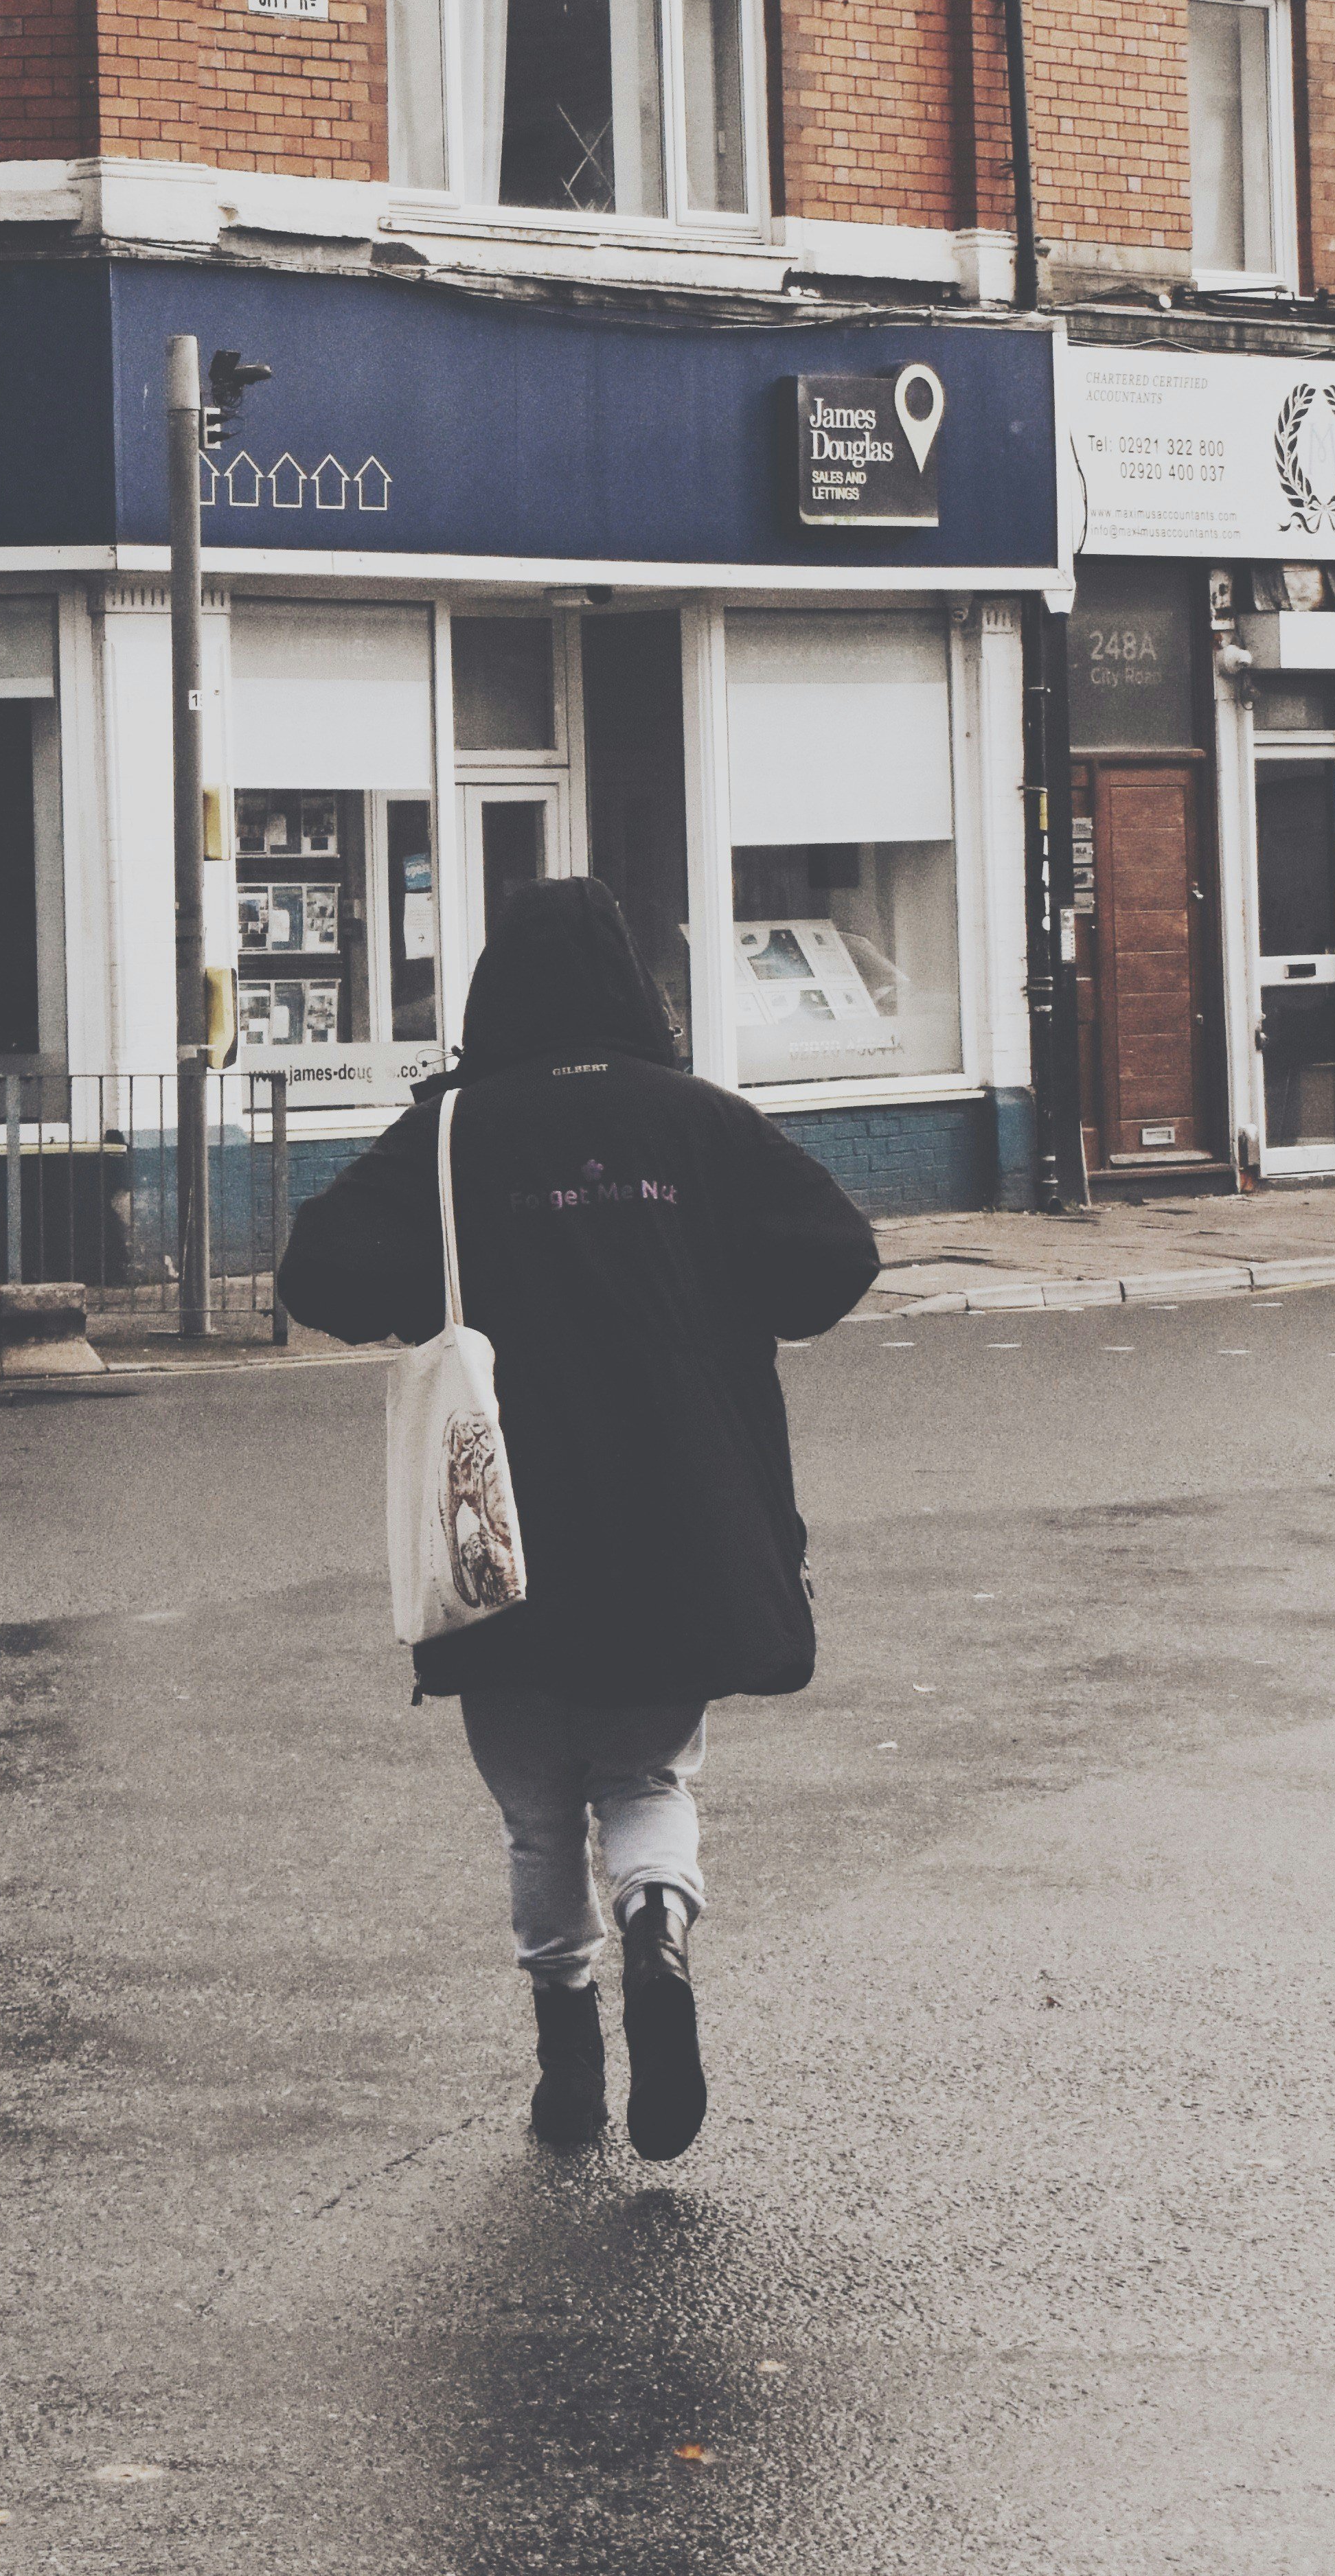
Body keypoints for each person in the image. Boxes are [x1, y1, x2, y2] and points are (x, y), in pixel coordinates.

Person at [275, 876, 878, 2165]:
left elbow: (317, 1271)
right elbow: (834, 1255)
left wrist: (435, 1297)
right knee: (647, 1773)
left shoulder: (448, 1134)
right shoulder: (701, 1123)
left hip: (505, 1527)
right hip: (681, 1516)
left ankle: (568, 2062)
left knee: (540, 1812)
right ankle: (657, 1927)